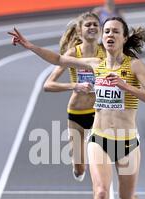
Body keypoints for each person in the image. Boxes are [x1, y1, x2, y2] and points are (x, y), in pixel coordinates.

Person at [9, 16, 145, 199]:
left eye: (115, 31)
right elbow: (58, 60)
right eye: (106, 31)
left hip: (127, 142)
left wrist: (126, 87)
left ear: (124, 38)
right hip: (99, 138)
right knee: (101, 194)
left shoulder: (134, 66)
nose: (109, 35)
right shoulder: (95, 63)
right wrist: (30, 46)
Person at [43, 12, 105, 182]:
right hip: (77, 112)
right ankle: (77, 167)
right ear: (79, 31)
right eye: (88, 25)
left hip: (100, 112)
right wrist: (75, 86)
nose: (92, 27)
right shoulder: (73, 53)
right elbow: (48, 85)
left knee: (98, 160)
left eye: (95, 24)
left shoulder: (106, 53)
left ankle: (101, 191)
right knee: (79, 168)